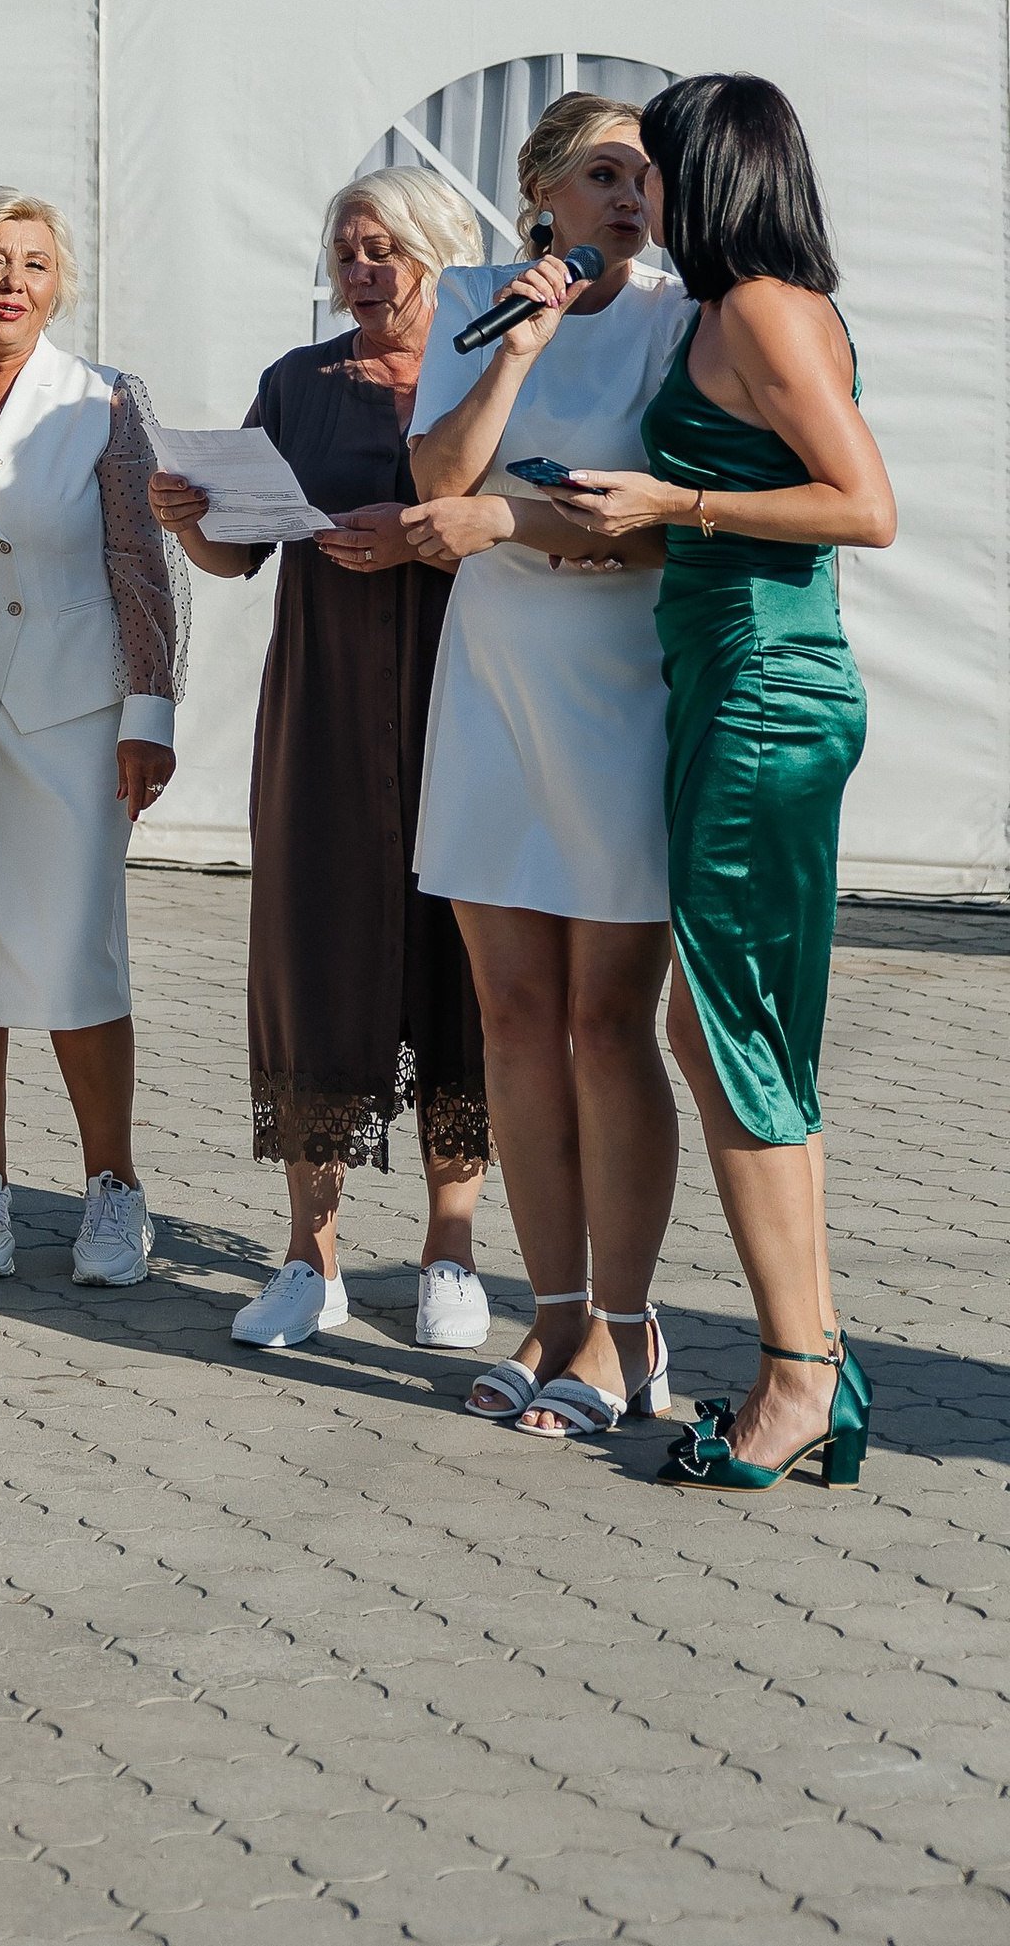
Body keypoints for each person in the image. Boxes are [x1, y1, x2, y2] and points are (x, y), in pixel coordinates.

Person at [555, 74, 892, 1490]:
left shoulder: (760, 306)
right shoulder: (737, 306)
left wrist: (670, 502)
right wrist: (606, 528)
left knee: (727, 1035)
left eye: (659, 164)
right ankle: (812, 1354)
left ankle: (797, 1377)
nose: (641, 190)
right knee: (739, 1032)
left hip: (766, 686)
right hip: (733, 677)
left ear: (716, 173)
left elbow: (862, 505)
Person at [149, 167, 495, 1355]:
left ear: (441, 255)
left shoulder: (488, 374)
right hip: (324, 712)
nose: (362, 267)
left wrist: (419, 540)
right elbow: (235, 554)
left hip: (467, 703)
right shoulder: (296, 383)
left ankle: (450, 1250)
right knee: (312, 955)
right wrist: (189, 514)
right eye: (346, 247)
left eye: (384, 246)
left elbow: (531, 543)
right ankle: (312, 1256)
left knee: (462, 958)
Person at [406, 92, 696, 1442]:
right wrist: (516, 350)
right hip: (493, 690)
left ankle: (629, 1326)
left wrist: (523, 520)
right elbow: (434, 482)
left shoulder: (683, 321)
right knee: (513, 1018)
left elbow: (685, 532)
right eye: (602, 174)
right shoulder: (472, 297)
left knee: (602, 1020)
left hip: (620, 693)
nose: (631, 197)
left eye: (644, 177)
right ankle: (554, 1306)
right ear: (540, 191)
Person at [0, 190, 186, 1293]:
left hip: (71, 715)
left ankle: (111, 1187)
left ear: (57, 283)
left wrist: (149, 713)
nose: (11, 280)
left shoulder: (103, 399)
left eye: (32, 261)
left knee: (79, 956)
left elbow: (142, 564)